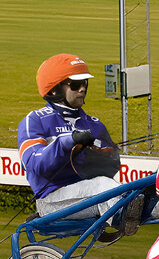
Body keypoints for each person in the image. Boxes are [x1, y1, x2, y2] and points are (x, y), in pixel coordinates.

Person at [17, 54, 148, 236]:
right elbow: (34, 163)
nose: (82, 89)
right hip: (53, 200)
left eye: (85, 83)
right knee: (102, 186)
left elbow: (110, 168)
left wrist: (100, 155)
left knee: (140, 189)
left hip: (91, 196)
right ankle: (121, 216)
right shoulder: (35, 120)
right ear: (54, 89)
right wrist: (68, 141)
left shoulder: (94, 124)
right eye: (75, 85)